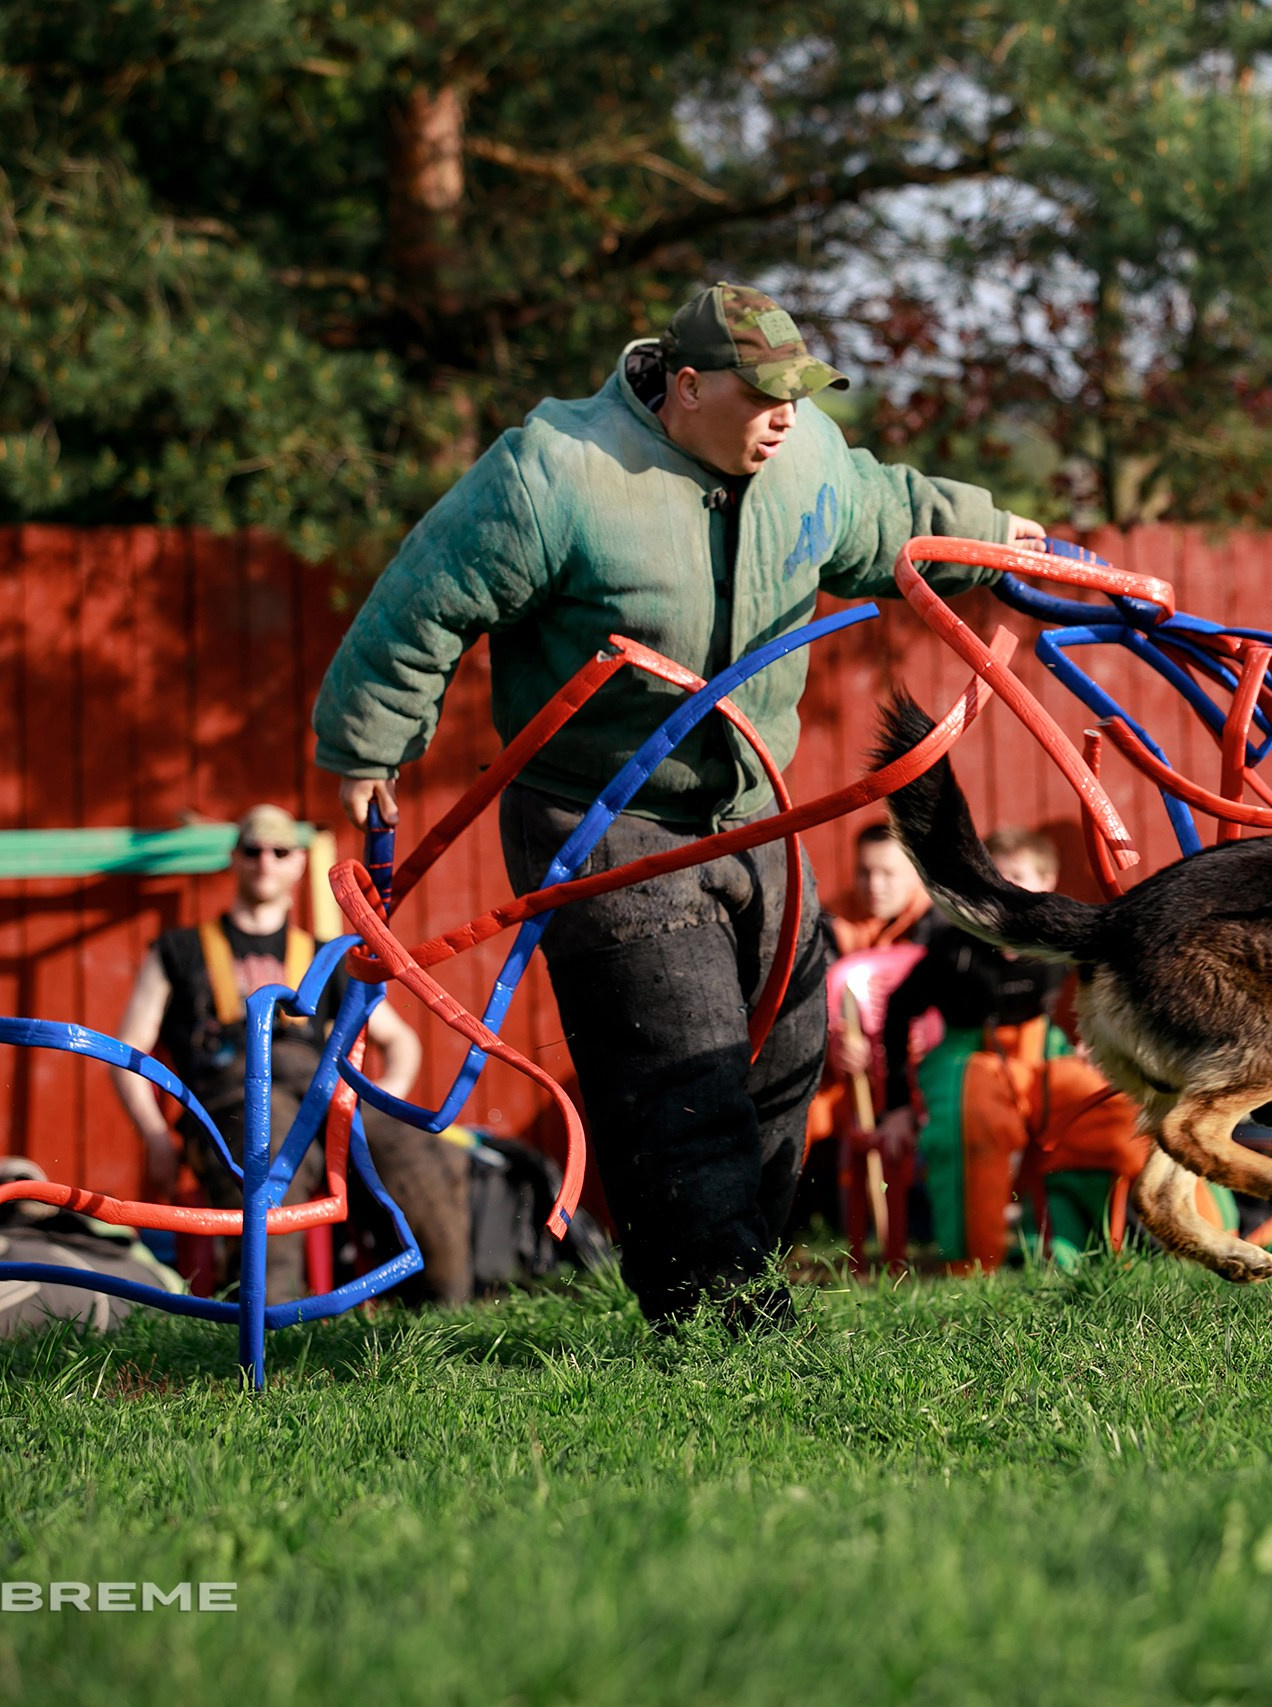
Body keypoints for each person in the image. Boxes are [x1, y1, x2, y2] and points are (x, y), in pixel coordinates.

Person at [310, 281, 1044, 1330]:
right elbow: (425, 598)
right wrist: (370, 741)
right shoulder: (557, 471)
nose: (786, 417)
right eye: (763, 397)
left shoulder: (805, 456)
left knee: (789, 1057)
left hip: (756, 814)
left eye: (797, 396)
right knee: (681, 1071)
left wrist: (999, 535)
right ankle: (718, 1320)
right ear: (687, 387)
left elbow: (887, 514)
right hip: (602, 818)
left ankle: (732, 1281)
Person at [112, 804, 476, 1301]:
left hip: (323, 1094)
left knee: (419, 1150)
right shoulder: (178, 950)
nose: (265, 862)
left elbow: (401, 1042)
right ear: (234, 859)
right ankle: (269, 1322)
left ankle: (441, 1317)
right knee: (266, 1143)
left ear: (299, 863)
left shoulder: (329, 956)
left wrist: (381, 1099)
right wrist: (155, 1136)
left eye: (280, 851)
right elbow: (129, 1051)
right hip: (231, 1099)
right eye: (252, 850)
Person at [874, 828, 1145, 1271]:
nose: (1004, 890)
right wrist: (897, 1105)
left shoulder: (1062, 934)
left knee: (1105, 1109)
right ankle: (971, 1263)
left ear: (1047, 883)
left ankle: (1086, 1242)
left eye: (1016, 877)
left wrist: (1101, 1044)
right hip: (966, 1055)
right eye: (993, 878)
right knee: (972, 1120)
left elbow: (1108, 984)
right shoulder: (951, 944)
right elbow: (898, 1009)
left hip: (1041, 1049)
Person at [807, 825, 939, 1273]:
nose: (874, 885)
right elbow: (813, 1006)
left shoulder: (937, 924)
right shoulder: (831, 926)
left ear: (915, 873)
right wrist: (832, 1047)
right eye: (865, 872)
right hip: (851, 1081)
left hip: (922, 1073)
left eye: (888, 872)